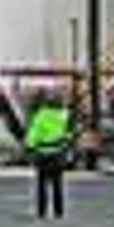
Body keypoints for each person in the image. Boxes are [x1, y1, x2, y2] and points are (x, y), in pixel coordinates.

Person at [25, 90, 73, 220]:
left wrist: (30, 147)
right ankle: (59, 212)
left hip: (42, 154)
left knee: (42, 185)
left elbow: (33, 134)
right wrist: (66, 146)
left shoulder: (40, 115)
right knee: (58, 184)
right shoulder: (65, 115)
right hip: (58, 153)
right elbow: (69, 134)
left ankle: (42, 212)